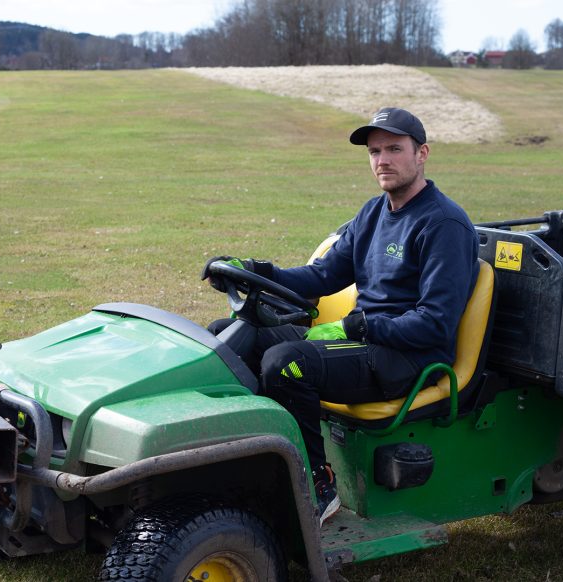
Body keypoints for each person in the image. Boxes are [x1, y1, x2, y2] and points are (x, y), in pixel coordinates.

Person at [202, 107, 480, 525]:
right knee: (228, 335)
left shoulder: (444, 224)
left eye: (394, 149)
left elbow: (435, 322)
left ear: (421, 154)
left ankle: (317, 485)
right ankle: (256, 464)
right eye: (374, 151)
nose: (382, 160)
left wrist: (362, 325)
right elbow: (323, 275)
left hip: (408, 357)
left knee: (286, 363)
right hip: (366, 341)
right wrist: (257, 271)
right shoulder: (372, 214)